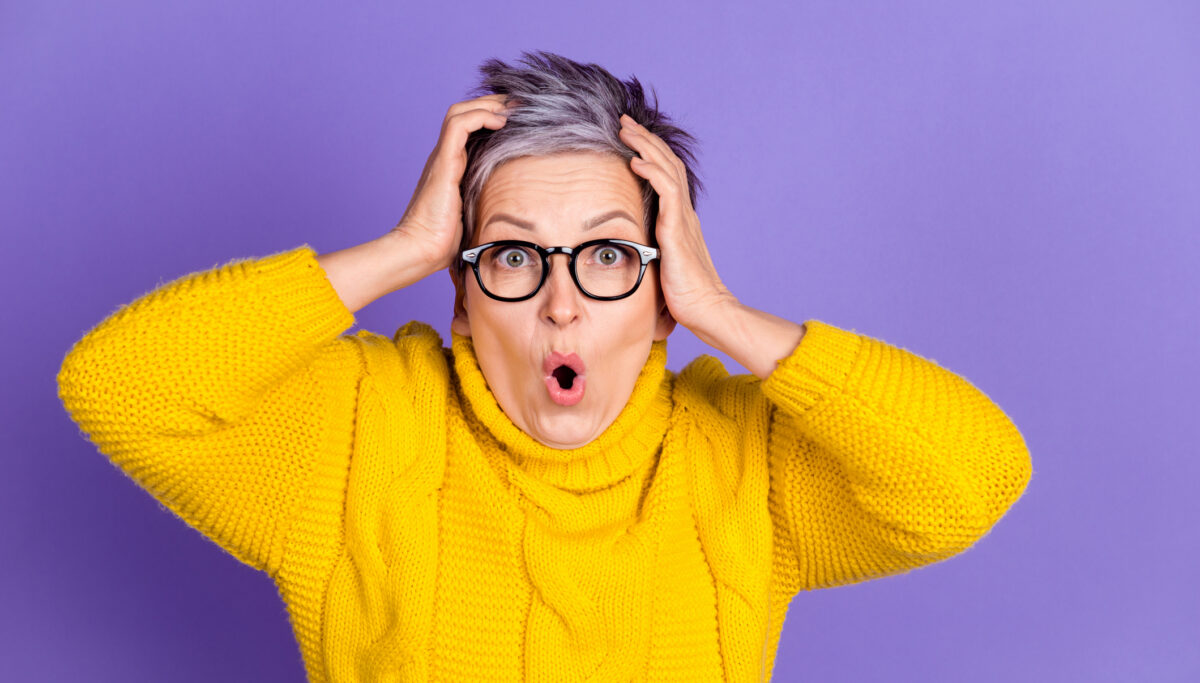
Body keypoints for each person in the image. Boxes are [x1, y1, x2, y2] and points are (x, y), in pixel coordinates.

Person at [56, 50, 1033, 682]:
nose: (561, 301)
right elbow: (120, 384)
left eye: (608, 254)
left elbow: (971, 479)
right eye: (514, 254)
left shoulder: (744, 462)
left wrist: (725, 316)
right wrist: (401, 248)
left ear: (662, 298)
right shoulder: (361, 430)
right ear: (465, 299)